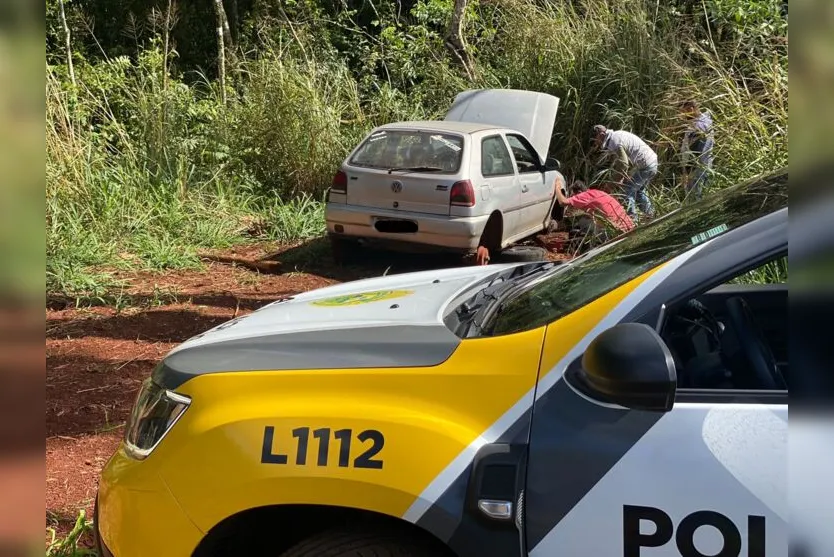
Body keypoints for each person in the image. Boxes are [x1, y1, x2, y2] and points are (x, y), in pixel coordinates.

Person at [591, 124, 658, 221]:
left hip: (645, 165)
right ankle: (651, 216)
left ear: (601, 134)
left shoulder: (614, 141)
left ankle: (632, 220)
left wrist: (611, 185)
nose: (595, 142)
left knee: (627, 190)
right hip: (650, 162)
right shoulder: (616, 136)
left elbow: (624, 165)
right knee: (639, 191)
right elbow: (623, 162)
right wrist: (622, 177)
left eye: (595, 138)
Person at [555, 176, 634, 254]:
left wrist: (557, 188)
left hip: (615, 233)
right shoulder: (597, 192)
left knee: (583, 222)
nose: (574, 198)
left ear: (579, 192)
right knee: (587, 219)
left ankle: (589, 246)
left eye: (574, 195)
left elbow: (563, 202)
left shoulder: (583, 195)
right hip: (629, 228)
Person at [679, 99, 714, 202]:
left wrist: (688, 172)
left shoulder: (700, 125)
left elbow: (695, 151)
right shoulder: (699, 122)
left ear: (691, 109)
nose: (682, 117)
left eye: (683, 112)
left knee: (696, 200)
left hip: (698, 168)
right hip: (699, 167)